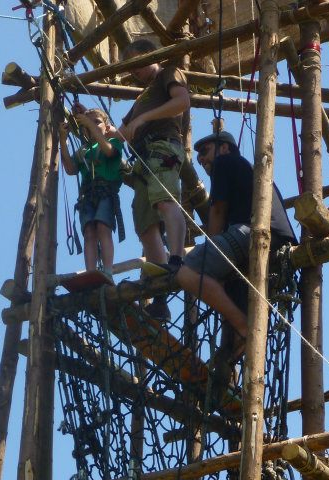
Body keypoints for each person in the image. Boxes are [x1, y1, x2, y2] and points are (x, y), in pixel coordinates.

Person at [175, 131, 297, 358]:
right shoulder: (246, 170)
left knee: (188, 272)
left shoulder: (225, 162)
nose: (201, 159)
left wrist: (211, 248)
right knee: (227, 282)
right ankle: (237, 341)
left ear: (224, 148)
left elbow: (218, 211)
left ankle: (243, 327)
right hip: (277, 240)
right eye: (199, 156)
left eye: (205, 151)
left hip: (256, 233)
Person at [118, 39, 190, 319]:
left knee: (164, 203)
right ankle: (160, 292)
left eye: (138, 63)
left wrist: (143, 119)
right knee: (145, 225)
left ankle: (177, 259)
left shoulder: (168, 73)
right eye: (131, 67)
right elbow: (120, 134)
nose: (135, 71)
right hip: (144, 160)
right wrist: (86, 125)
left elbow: (181, 102)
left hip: (163, 147)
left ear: (151, 55)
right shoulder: (140, 98)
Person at [59, 106, 125, 277]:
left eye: (98, 122)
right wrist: (63, 140)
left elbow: (109, 151)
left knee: (103, 227)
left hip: (105, 192)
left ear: (107, 127)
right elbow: (70, 168)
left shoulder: (113, 143)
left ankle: (108, 270)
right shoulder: (84, 150)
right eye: (89, 125)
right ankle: (91, 272)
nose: (92, 126)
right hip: (87, 195)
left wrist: (88, 121)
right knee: (89, 232)